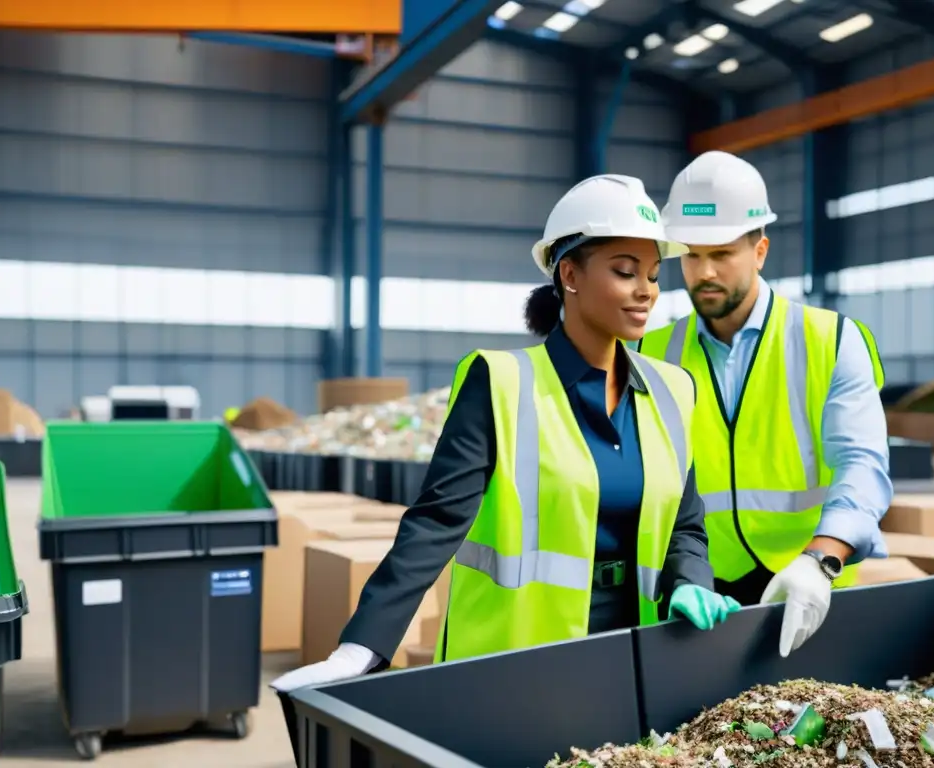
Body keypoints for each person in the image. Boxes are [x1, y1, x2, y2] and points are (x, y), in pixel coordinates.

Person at [271, 175, 741, 693]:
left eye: (653, 275)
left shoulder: (674, 390)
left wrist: (688, 582)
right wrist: (362, 646)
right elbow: (436, 522)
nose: (646, 291)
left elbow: (684, 527)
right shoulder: (500, 383)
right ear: (570, 274)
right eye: (625, 272)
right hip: (519, 664)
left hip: (638, 655)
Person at [638, 151, 891, 659]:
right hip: (696, 596)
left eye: (723, 253)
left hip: (811, 585)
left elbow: (862, 465)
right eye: (690, 254)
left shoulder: (830, 340)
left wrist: (821, 561)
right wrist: (681, 576)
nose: (703, 272)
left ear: (760, 250)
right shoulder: (649, 352)